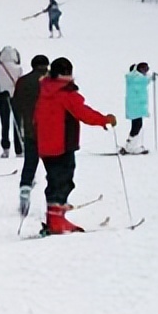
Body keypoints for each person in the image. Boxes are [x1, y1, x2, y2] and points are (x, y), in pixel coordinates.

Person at [35, 57, 115, 234]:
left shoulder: (44, 89)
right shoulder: (65, 93)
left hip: (45, 144)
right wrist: (104, 119)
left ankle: (53, 216)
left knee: (54, 179)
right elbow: (83, 113)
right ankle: (57, 220)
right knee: (63, 180)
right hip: (62, 144)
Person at [13, 54, 50, 216]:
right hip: (51, 130)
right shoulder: (51, 81)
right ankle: (56, 201)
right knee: (54, 165)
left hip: (30, 128)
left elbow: (16, 105)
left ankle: (25, 189)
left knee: (30, 162)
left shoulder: (23, 81)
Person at [0, 46, 23, 158]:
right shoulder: (18, 68)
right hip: (16, 97)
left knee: (4, 124)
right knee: (18, 123)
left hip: (3, 97)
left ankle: (6, 148)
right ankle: (19, 149)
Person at [123, 62, 156, 155]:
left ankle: (130, 145)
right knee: (137, 126)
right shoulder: (136, 78)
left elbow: (143, 81)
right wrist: (151, 78)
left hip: (135, 106)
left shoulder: (133, 77)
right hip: (136, 106)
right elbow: (143, 81)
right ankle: (131, 147)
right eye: (145, 69)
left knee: (136, 125)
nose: (147, 71)